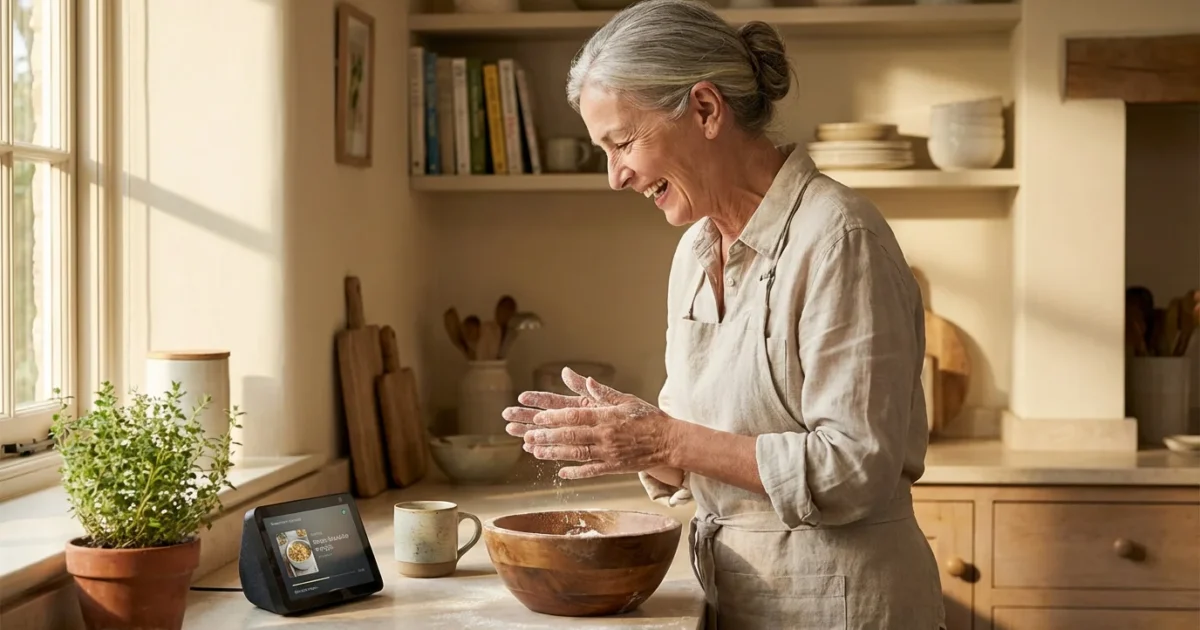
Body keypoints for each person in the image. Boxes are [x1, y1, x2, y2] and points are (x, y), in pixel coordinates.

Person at [502, 0, 945, 627]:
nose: (615, 177)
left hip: (842, 606)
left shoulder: (839, 237)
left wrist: (663, 435)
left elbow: (853, 469)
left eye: (623, 142)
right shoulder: (693, 250)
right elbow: (699, 454)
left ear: (706, 110)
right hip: (732, 599)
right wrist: (628, 437)